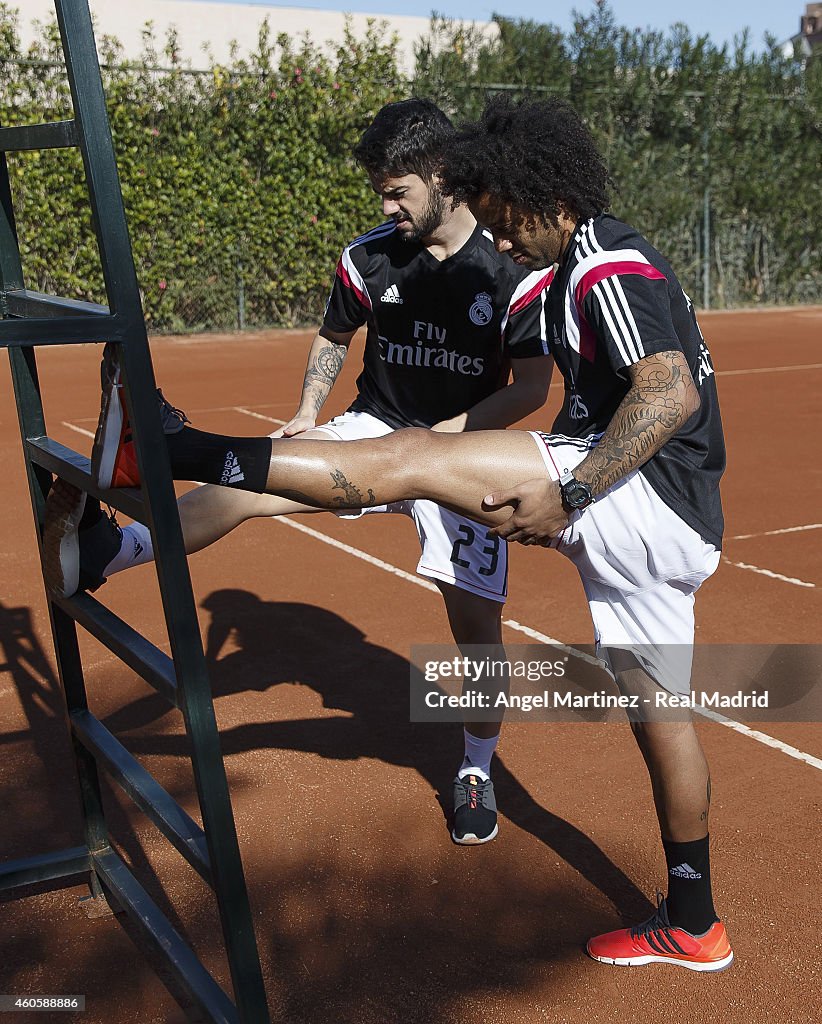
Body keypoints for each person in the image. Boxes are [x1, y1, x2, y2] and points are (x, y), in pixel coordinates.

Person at [49, 95, 734, 972]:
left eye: (505, 220)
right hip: (668, 521)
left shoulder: (601, 260)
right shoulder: (503, 263)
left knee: (409, 464)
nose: (504, 238)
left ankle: (164, 444)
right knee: (660, 717)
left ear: (528, 194)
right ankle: (695, 921)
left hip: (627, 495)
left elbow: (669, 393)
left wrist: (572, 491)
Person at [43, 98, 555, 848]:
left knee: (474, 623)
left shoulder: (509, 265)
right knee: (250, 485)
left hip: (463, 445)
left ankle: (476, 766)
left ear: (443, 175)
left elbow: (532, 387)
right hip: (373, 425)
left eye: (397, 190)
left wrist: (438, 444)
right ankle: (108, 552)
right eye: (381, 192)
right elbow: (334, 336)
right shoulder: (370, 256)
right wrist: (308, 412)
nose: (387, 206)